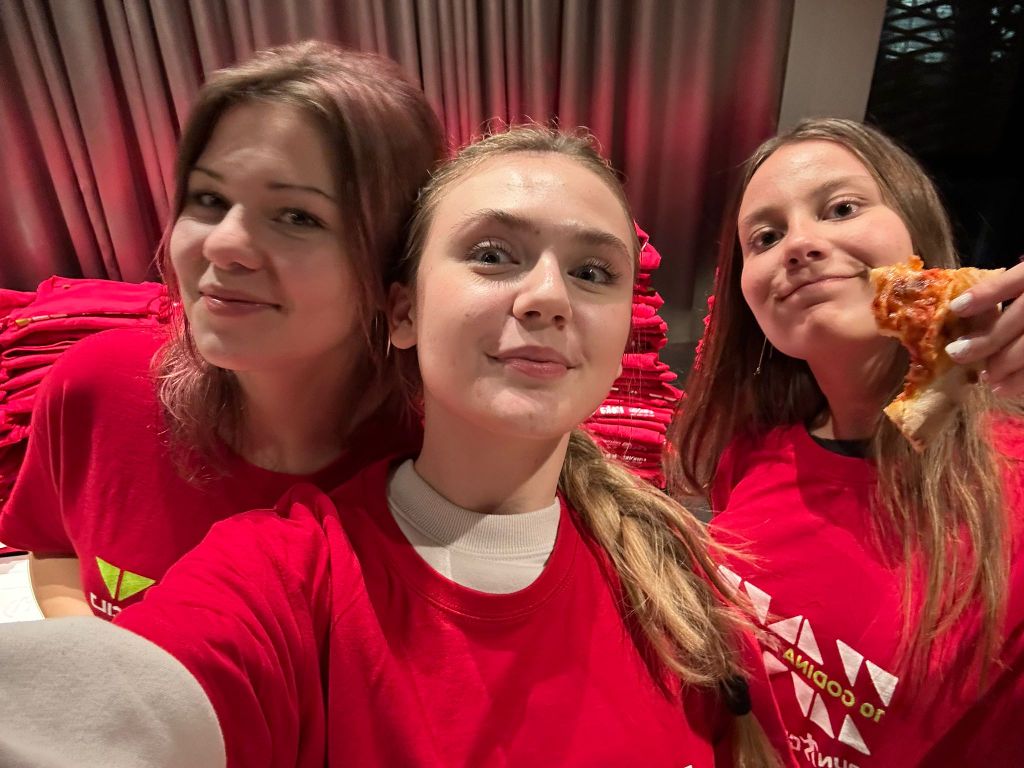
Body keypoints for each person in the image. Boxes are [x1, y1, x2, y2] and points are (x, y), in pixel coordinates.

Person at [0, 126, 792, 768]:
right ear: (403, 312)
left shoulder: (676, 575)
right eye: (493, 254)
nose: (549, 296)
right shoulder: (284, 578)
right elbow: (115, 711)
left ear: (621, 340)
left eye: (592, 271)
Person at [0, 40, 445, 619]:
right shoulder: (96, 386)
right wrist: (105, 660)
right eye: (209, 198)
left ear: (396, 265)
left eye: (298, 216)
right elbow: (55, 547)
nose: (223, 243)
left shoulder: (442, 463)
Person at [667, 117, 1024, 766]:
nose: (800, 244)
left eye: (841, 208)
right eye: (766, 237)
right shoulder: (749, 454)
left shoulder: (1015, 485)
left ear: (916, 232)